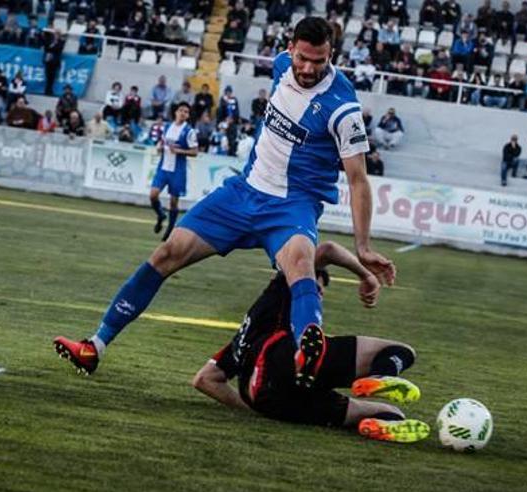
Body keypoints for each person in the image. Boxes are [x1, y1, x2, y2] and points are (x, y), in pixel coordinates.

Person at [53, 18, 393, 389]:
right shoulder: (281, 65)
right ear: (290, 47)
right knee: (169, 251)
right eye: (303, 59)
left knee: (300, 263)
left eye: (319, 61)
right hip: (242, 192)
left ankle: (308, 349)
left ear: (332, 55)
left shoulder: (343, 107)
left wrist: (363, 246)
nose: (309, 69)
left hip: (292, 205)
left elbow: (359, 181)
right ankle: (95, 345)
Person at [193, 240, 429, 443]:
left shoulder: (243, 336)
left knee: (393, 412)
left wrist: (252, 407)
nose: (318, 296)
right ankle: (379, 377)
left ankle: (379, 422)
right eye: (317, 289)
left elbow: (204, 379)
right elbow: (326, 249)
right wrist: (366, 275)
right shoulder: (287, 281)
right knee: (401, 351)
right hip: (282, 355)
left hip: (266, 400)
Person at [149, 102, 199, 241]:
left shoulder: (189, 131)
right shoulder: (167, 127)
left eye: (186, 112)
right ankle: (160, 215)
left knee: (173, 202)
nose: (183, 113)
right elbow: (162, 142)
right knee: (153, 195)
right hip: (163, 167)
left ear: (188, 115)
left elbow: (195, 152)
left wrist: (179, 151)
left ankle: (170, 230)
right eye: (181, 110)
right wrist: (159, 147)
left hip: (177, 170)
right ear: (176, 112)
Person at [43, 29, 65, 95]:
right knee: (47, 75)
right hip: (48, 60)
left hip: (55, 61)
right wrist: (53, 45)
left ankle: (50, 90)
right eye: (56, 34)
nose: (56, 36)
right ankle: (47, 89)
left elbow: (59, 49)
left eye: (58, 35)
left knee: (52, 76)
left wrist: (53, 46)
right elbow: (46, 48)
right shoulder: (50, 40)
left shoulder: (61, 42)